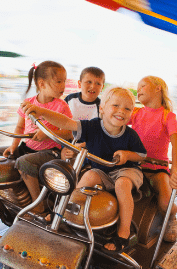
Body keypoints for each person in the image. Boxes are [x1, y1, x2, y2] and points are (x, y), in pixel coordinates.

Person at [21, 87, 147, 252]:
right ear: (102, 108)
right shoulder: (92, 126)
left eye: (127, 108)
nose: (121, 111)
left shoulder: (130, 135)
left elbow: (141, 155)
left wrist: (127, 155)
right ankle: (63, 213)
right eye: (115, 105)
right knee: (87, 177)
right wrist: (42, 112)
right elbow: (67, 122)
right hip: (103, 171)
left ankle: (124, 232)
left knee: (122, 184)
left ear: (131, 113)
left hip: (126, 171)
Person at [0, 61, 73, 216]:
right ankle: (13, 192)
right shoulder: (28, 103)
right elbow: (20, 127)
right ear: (41, 83)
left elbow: (69, 132)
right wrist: (14, 145)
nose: (63, 86)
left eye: (64, 81)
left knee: (23, 162)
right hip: (27, 147)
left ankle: (38, 204)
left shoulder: (62, 106)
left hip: (50, 151)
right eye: (59, 81)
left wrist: (47, 133)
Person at [131, 76, 177, 243]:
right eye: (138, 87)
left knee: (165, 203)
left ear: (158, 88)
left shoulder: (168, 116)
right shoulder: (136, 112)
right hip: (134, 165)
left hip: (157, 169)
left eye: (143, 86)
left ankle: (170, 219)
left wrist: (174, 172)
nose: (138, 90)